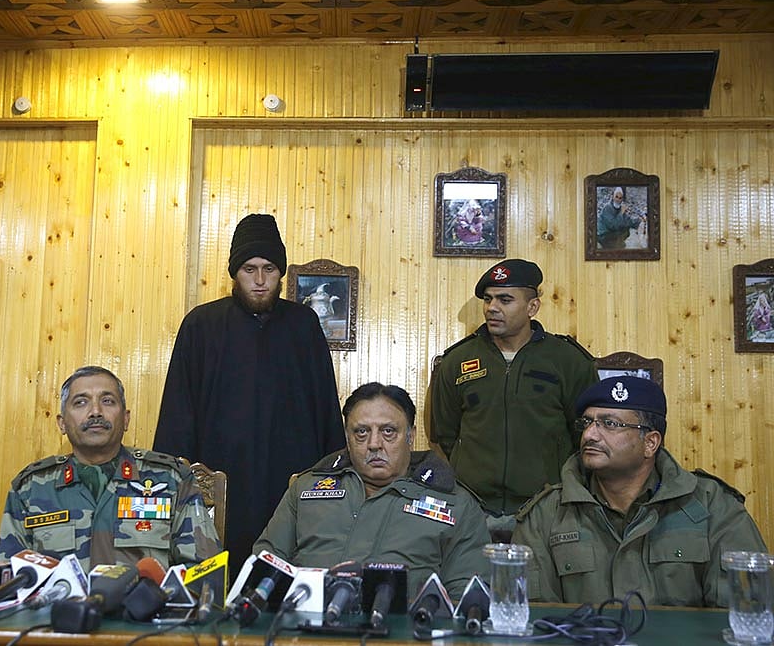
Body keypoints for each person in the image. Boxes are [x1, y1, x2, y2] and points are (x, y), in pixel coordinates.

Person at [153, 213, 345, 573]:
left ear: (281, 273)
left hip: (290, 491)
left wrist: (332, 485)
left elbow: (326, 414)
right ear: (234, 273)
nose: (260, 281)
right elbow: (178, 414)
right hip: (219, 489)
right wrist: (170, 486)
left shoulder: (304, 326)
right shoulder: (201, 325)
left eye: (270, 269)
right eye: (249, 269)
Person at [513, 376, 768, 607]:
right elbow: (536, 620)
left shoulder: (712, 506)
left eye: (609, 423)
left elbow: (746, 610)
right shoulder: (546, 514)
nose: (590, 435)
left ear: (650, 443)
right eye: (587, 422)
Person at [254, 382, 490, 599]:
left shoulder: (456, 504)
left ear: (410, 436)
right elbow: (265, 564)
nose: (374, 444)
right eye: (361, 432)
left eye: (388, 431)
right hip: (304, 629)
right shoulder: (307, 488)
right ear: (348, 439)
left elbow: (466, 598)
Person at [424, 259, 598, 541]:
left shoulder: (568, 361)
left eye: (505, 300)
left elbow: (587, 433)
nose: (492, 308)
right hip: (472, 510)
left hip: (546, 511)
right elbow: (445, 432)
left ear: (532, 307)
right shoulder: (458, 360)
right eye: (489, 299)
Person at [0, 366, 221, 572]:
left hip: (145, 614)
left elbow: (206, 571)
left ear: (125, 419)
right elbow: (11, 578)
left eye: (107, 401)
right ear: (62, 423)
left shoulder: (172, 479)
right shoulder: (31, 488)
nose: (95, 411)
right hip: (59, 615)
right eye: (81, 402)